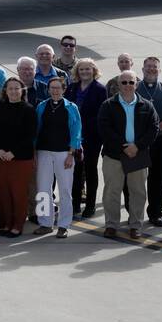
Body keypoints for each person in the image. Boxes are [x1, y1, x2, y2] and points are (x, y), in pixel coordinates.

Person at [97, 69, 158, 240]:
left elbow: (153, 128)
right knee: (111, 192)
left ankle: (135, 225)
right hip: (114, 155)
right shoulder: (108, 105)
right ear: (118, 85)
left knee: (138, 192)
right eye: (124, 82)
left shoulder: (146, 105)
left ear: (136, 84)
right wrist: (123, 146)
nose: (128, 85)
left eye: (131, 82)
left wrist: (137, 146)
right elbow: (104, 129)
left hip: (137, 155)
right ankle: (111, 225)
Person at [0, 77, 37, 237]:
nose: (14, 91)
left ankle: (17, 225)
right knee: (2, 193)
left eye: (17, 88)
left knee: (19, 193)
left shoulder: (29, 109)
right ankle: (6, 223)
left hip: (21, 159)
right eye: (10, 89)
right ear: (5, 91)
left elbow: (30, 135)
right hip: (0, 158)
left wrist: (13, 152)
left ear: (22, 91)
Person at [33, 77, 81, 238]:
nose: (55, 91)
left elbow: (76, 132)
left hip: (63, 153)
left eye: (58, 88)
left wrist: (70, 154)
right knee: (43, 189)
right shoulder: (41, 106)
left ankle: (64, 225)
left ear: (63, 89)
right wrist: (34, 151)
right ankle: (45, 223)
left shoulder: (71, 107)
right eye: (52, 88)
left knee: (65, 190)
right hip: (44, 152)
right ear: (48, 89)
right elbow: (37, 129)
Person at [136, 57, 162, 228]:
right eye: (148, 66)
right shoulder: (135, 87)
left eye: (155, 67)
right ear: (142, 69)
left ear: (159, 70)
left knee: (158, 179)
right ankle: (135, 213)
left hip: (161, 141)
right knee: (136, 179)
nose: (151, 69)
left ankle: (155, 213)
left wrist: (155, 130)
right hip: (139, 142)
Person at [65, 58, 106, 218]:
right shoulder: (71, 88)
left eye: (88, 69)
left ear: (94, 71)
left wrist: (82, 126)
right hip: (73, 137)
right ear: (77, 71)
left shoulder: (100, 89)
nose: (85, 72)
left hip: (92, 137)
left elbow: (100, 114)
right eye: (81, 69)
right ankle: (75, 204)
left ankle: (90, 205)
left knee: (90, 170)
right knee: (75, 171)